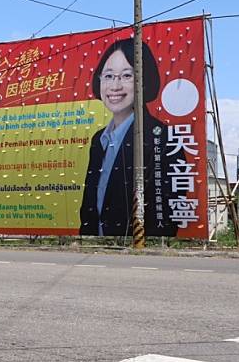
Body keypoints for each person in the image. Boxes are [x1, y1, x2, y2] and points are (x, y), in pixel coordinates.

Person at [79, 38, 184, 237]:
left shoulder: (162, 138)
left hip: (137, 253)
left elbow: (165, 215)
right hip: (98, 251)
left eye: (127, 75)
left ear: (144, 80)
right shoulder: (98, 140)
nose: (115, 86)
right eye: (109, 76)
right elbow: (89, 207)